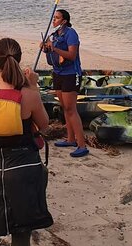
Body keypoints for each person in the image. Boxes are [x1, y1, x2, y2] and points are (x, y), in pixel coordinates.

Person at [0, 38, 52, 246]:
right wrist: (33, 86)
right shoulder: (28, 95)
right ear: (19, 60)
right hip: (22, 167)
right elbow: (44, 125)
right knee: (22, 231)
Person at [41, 9, 87, 157]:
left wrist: (55, 48)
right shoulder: (54, 35)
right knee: (64, 108)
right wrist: (46, 48)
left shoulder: (71, 34)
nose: (54, 20)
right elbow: (51, 55)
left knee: (71, 109)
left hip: (71, 74)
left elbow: (72, 55)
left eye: (57, 18)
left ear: (64, 21)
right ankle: (70, 139)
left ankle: (82, 145)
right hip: (58, 73)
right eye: (53, 17)